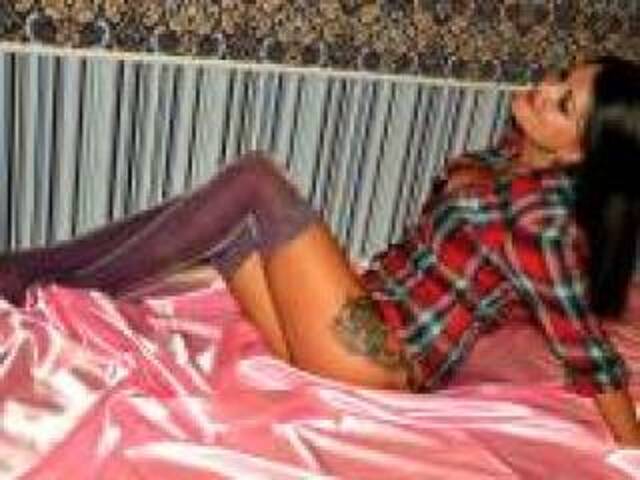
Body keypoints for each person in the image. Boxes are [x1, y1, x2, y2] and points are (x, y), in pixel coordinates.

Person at [0, 56, 639, 446]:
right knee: (229, 229)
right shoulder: (508, 159)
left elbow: (590, 353)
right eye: (562, 76)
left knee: (256, 181)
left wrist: (632, 450)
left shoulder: (543, 222)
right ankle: (41, 273)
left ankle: (29, 272)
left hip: (381, 359)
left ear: (578, 152)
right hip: (359, 324)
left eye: (563, 103)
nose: (544, 87)